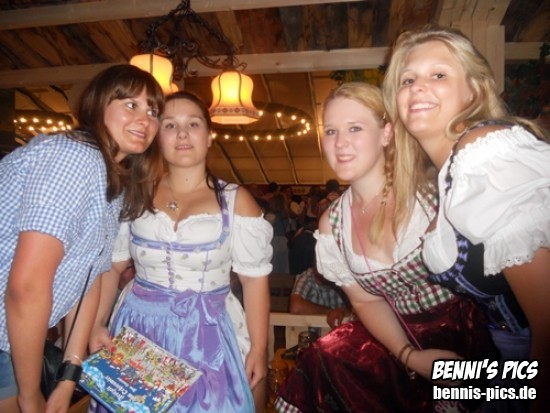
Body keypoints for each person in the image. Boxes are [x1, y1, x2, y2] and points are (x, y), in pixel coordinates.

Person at [275, 82, 497, 413]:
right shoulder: (332, 224)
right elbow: (366, 300)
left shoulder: (432, 191)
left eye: (354, 128)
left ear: (386, 133)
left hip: (479, 333)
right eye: (331, 131)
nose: (340, 143)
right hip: (401, 339)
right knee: (326, 357)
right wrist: (410, 356)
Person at [382, 25, 550, 413]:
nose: (418, 87)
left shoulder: (484, 154)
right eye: (407, 80)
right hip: (506, 358)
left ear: (473, 90)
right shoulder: (449, 173)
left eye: (438, 75)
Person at [89, 91, 273, 413]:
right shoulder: (134, 192)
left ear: (209, 135)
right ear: (157, 136)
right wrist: (97, 323)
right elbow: (112, 267)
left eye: (193, 124)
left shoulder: (236, 200)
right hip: (138, 328)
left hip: (209, 333)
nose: (183, 134)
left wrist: (259, 348)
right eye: (170, 125)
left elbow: (254, 281)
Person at [0, 64, 163, 413]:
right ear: (98, 104)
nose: (146, 119)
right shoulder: (73, 157)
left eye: (153, 111)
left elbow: (87, 279)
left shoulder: (111, 182)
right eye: (131, 104)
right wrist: (31, 394)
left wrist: (69, 374)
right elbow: (26, 287)